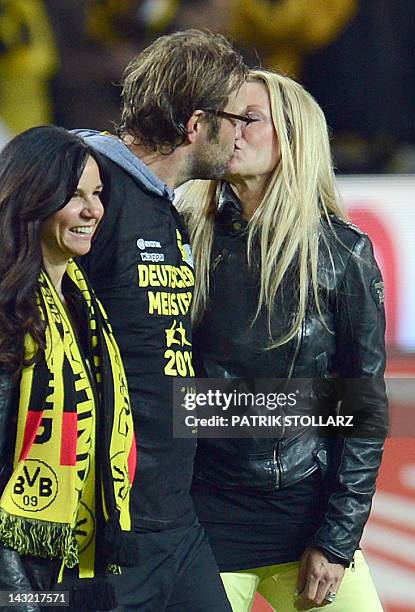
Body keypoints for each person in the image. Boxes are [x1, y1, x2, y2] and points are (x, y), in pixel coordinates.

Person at [179, 69, 388, 611]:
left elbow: (362, 410)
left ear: (293, 137)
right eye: (226, 119)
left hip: (305, 519)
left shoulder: (343, 253)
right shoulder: (182, 235)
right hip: (201, 520)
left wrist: (338, 540)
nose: (233, 132)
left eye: (249, 119)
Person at [75, 28, 248, 611]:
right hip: (107, 525)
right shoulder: (89, 188)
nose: (241, 134)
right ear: (198, 125)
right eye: (236, 117)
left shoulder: (160, 207)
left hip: (174, 520)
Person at [0, 126, 136, 611]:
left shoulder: (85, 306)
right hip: (22, 579)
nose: (92, 211)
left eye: (96, 195)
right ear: (32, 199)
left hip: (80, 567)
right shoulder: (8, 311)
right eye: (74, 196)